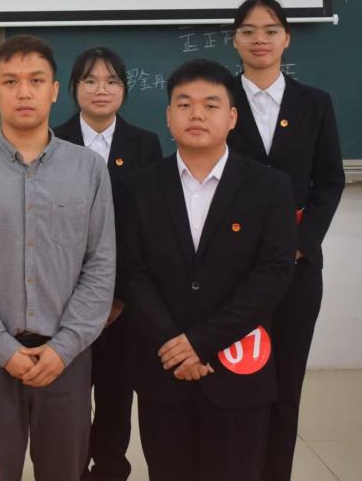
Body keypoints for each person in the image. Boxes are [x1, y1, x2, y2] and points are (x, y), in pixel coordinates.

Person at [0, 35, 116, 481]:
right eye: (10, 81)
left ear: (55, 90)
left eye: (36, 81)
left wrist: (64, 346)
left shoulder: (89, 169)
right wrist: (3, 349)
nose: (24, 92)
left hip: (67, 359)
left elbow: (100, 266)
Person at [119, 58, 296, 481]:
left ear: (232, 117)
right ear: (168, 116)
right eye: (184, 104)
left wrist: (201, 342)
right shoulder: (138, 187)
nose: (196, 114)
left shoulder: (270, 186)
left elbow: (273, 273)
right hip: (164, 368)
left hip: (238, 371)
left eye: (210, 105)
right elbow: (131, 272)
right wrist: (173, 343)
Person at [226, 0, 345, 481]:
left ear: (287, 38)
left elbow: (330, 181)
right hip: (230, 271)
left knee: (285, 384)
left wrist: (299, 243)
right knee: (235, 385)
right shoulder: (216, 100)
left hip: (296, 268)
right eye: (249, 30)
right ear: (234, 39)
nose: (260, 39)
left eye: (271, 30)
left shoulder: (314, 103)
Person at [53, 47, 162, 481]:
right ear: (73, 88)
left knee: (117, 394)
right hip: (64, 299)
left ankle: (112, 469)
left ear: (124, 89)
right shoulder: (53, 139)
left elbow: (147, 228)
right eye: (90, 80)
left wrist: (117, 297)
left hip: (124, 301)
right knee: (70, 398)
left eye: (112, 81)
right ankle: (71, 469)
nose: (101, 89)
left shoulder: (145, 144)